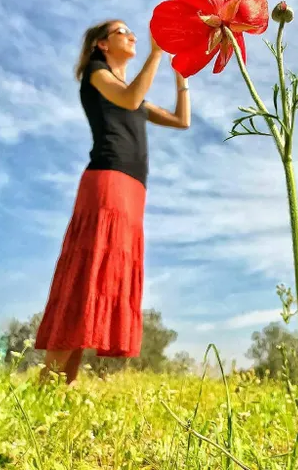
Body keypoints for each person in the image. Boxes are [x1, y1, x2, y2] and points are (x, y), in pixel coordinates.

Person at [34, 19, 190, 384]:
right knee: (88, 274)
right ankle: (50, 382)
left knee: (104, 276)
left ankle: (60, 387)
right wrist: (156, 53)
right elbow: (130, 99)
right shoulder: (96, 74)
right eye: (122, 31)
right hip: (106, 181)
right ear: (102, 44)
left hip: (134, 188)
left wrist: (182, 72)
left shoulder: (129, 86)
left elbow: (182, 120)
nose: (132, 35)